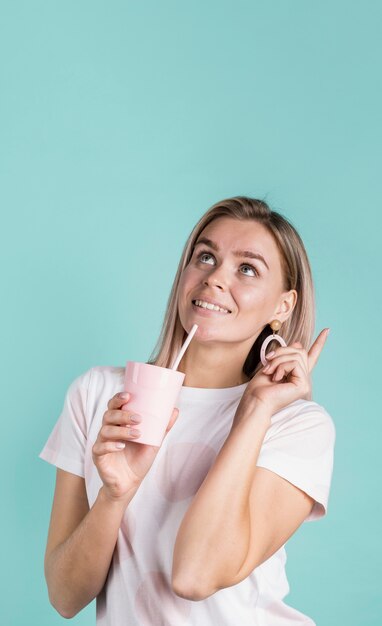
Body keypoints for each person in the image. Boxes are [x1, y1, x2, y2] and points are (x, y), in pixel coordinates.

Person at [39, 196, 336, 625]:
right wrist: (113, 496)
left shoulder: (296, 425)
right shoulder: (97, 394)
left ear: (282, 307)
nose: (215, 278)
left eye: (247, 268)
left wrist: (254, 409)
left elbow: (195, 576)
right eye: (205, 257)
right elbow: (65, 598)